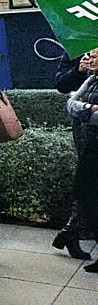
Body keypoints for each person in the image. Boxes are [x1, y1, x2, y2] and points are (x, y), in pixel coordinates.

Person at [54, 48, 95, 261]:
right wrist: (79, 71)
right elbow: (61, 84)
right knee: (88, 180)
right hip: (87, 126)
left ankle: (71, 231)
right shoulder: (77, 48)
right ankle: (72, 231)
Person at [64, 50, 98, 273]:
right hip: (91, 143)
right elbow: (70, 103)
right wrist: (88, 108)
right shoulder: (92, 79)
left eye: (95, 57)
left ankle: (69, 232)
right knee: (86, 193)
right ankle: (70, 232)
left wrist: (84, 110)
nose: (90, 60)